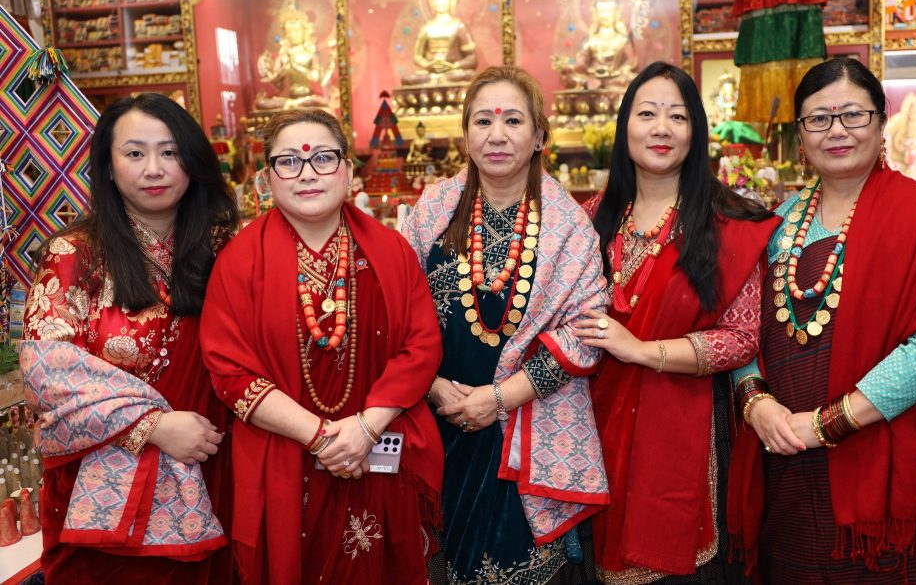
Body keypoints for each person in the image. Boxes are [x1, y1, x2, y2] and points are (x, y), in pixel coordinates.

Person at [728, 57, 916, 583]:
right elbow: (741, 329)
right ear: (800, 134)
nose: (837, 131)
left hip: (888, 461)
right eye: (819, 118)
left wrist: (829, 422)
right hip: (786, 453)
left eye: (853, 114)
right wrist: (756, 403)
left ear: (880, 123)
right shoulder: (777, 224)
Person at [201, 108, 443, 585]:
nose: (307, 173)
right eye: (289, 161)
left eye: (323, 158)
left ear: (349, 171)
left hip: (377, 449)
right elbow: (229, 371)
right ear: (266, 178)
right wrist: (321, 437)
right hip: (284, 457)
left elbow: (421, 346)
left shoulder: (390, 251)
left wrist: (366, 428)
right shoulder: (239, 261)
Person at [401, 66, 609, 584]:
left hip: (527, 427)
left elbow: (586, 334)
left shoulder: (567, 225)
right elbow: (396, 310)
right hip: (439, 419)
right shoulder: (433, 210)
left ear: (539, 137)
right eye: (483, 121)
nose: (497, 135)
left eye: (513, 121)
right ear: (465, 135)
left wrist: (498, 399)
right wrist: (432, 387)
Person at [20, 93, 239, 584]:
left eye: (170, 152)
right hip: (105, 487)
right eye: (135, 153)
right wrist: (152, 425)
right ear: (109, 164)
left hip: (214, 461)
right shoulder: (75, 254)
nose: (154, 169)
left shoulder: (225, 247)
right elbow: (48, 376)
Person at [571, 61, 776, 583]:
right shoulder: (589, 219)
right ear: (625, 127)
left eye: (677, 116)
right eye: (647, 114)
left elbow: (740, 339)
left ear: (695, 131)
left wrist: (643, 350)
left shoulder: (727, 223)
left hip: (687, 430)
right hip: (593, 431)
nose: (661, 128)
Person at [401, 0, 478, 86]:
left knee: (470, 76)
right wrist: (428, 65)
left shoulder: (459, 26)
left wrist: (453, 66)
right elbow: (417, 57)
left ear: (452, 0)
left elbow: (472, 58)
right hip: (431, 72)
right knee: (408, 79)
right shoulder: (427, 28)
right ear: (431, 1)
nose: (440, 2)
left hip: (454, 72)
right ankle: (437, 82)